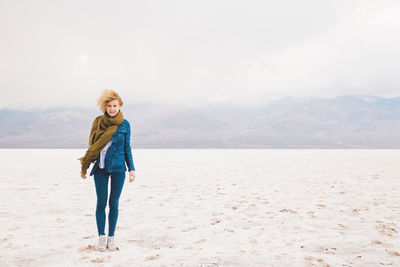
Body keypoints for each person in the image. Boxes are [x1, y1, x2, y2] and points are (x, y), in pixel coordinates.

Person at [79, 89, 136, 251]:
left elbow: (127, 147)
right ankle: (101, 238)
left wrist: (131, 168)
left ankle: (111, 237)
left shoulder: (125, 124)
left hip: (118, 168)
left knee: (114, 204)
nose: (112, 109)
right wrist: (86, 164)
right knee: (101, 203)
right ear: (104, 107)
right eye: (109, 106)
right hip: (101, 168)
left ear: (120, 106)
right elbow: (93, 146)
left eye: (115, 105)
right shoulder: (98, 122)